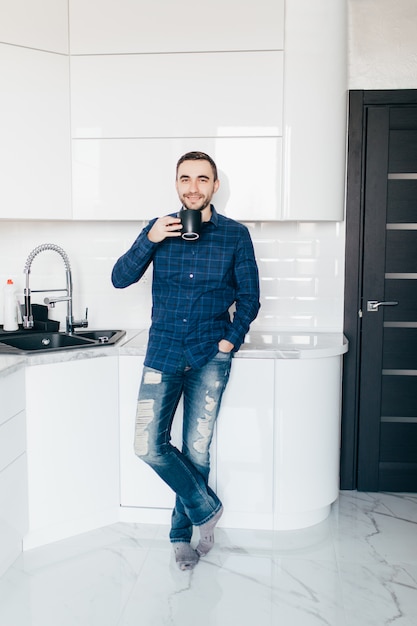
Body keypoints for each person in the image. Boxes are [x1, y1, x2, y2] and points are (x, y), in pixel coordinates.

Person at [111, 151, 260, 570]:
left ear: (215, 186)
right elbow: (120, 277)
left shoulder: (235, 235)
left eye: (202, 179)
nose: (193, 187)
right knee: (146, 444)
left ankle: (181, 536)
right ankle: (206, 509)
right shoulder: (158, 229)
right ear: (176, 185)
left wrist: (229, 342)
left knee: (197, 450)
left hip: (211, 356)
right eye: (185, 179)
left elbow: (249, 298)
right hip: (163, 352)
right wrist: (151, 238)